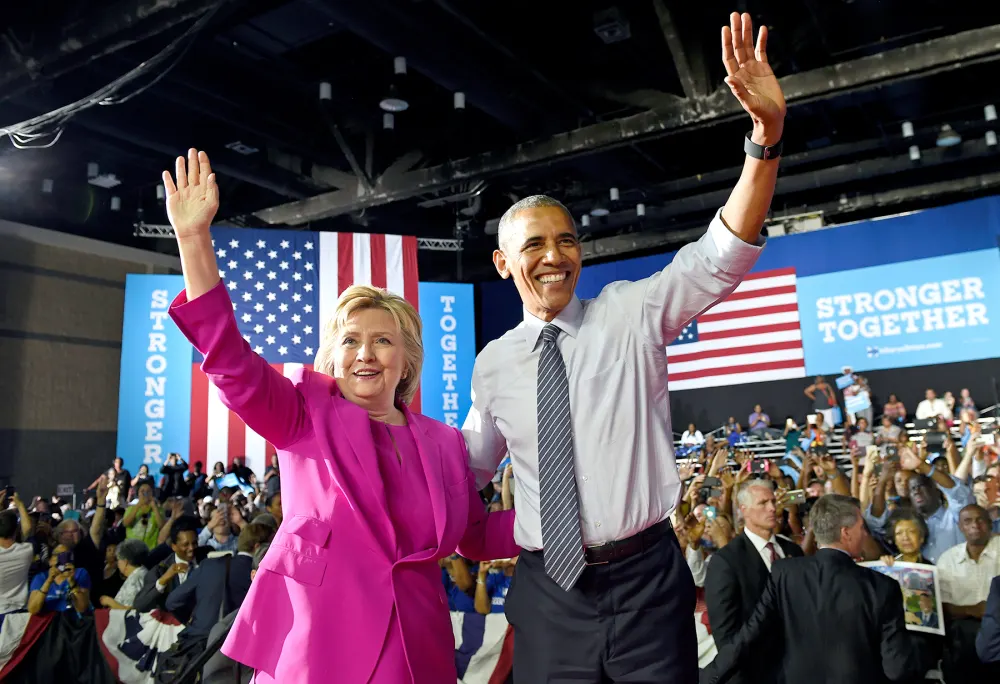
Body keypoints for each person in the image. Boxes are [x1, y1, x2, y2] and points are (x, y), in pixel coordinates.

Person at [462, 12, 786, 682]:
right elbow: (466, 467)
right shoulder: (493, 365)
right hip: (549, 595)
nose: (555, 257)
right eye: (535, 246)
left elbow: (720, 256)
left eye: (567, 241)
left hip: (647, 583)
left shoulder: (630, 312)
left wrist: (765, 139)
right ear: (502, 263)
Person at [161, 148, 519, 684]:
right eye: (351, 341)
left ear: (406, 363)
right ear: (334, 356)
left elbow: (473, 535)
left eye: (382, 341)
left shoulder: (444, 443)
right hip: (316, 649)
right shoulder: (304, 413)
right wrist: (194, 240)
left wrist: (573, 521)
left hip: (416, 651)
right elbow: (232, 363)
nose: (365, 354)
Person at [699, 495, 919, 684]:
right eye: (862, 528)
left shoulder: (785, 573)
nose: (865, 534)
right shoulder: (882, 586)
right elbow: (897, 668)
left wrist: (708, 677)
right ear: (845, 533)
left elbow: (748, 637)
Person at [704, 479, 804, 684]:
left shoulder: (793, 551)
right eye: (763, 503)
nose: (772, 508)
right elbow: (726, 637)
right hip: (754, 674)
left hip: (800, 669)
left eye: (774, 501)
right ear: (744, 510)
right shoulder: (726, 561)